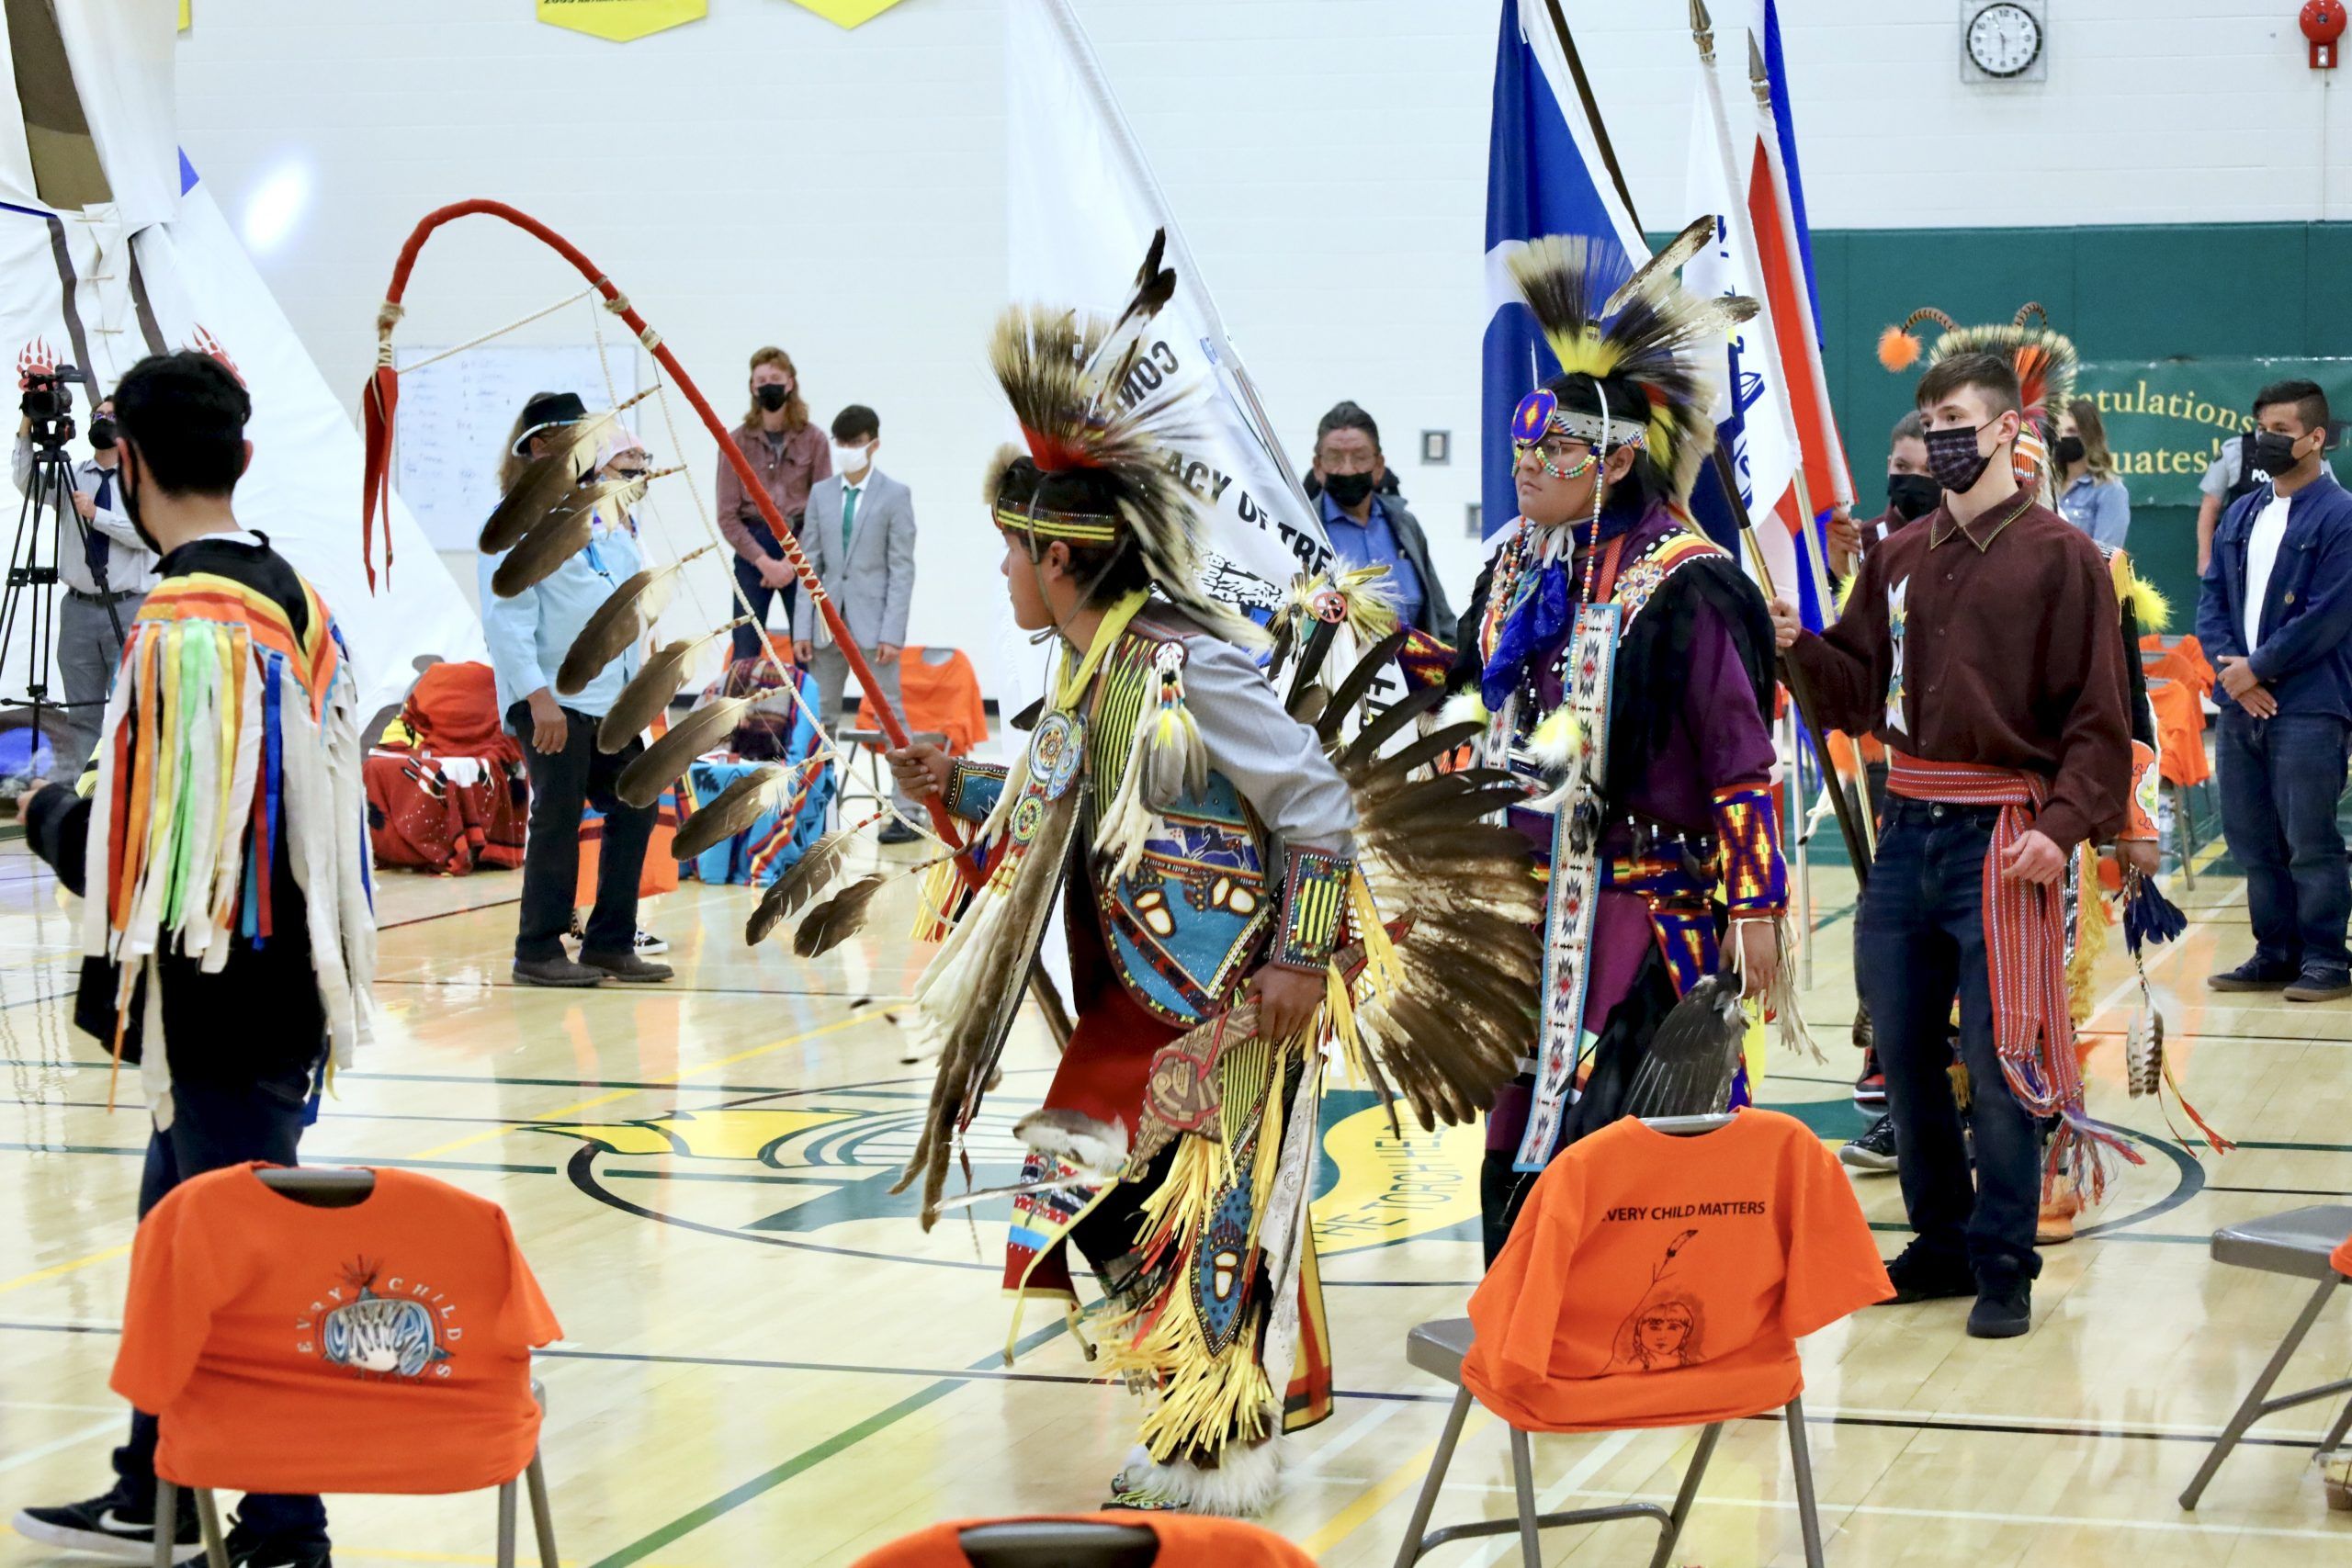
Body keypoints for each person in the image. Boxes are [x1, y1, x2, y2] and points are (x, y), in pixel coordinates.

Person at [882, 257, 1531, 1514]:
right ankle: (1194, 1414)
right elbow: (1047, 801)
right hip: (1136, 1000)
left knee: (1219, 1216)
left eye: (1012, 553)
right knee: (1096, 1212)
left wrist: (1299, 955)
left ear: (1061, 560)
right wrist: (949, 785)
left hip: (1231, 997)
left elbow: (1316, 804)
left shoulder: (1184, 665)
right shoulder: (1085, 671)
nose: (1005, 573)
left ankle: (1220, 1447)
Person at [10, 351, 374, 1568]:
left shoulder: (185, 619)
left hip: (219, 1001)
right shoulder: (299, 598)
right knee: (175, 1240)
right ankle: (149, 1483)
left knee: (235, 1262)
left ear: (128, 462)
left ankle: (283, 1526)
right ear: (245, 458)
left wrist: (55, 814)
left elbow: (140, 849)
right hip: (280, 992)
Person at [1447, 228, 1794, 1264]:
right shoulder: (1515, 564)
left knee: (1628, 1108)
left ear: (1612, 460)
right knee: (1520, 1108)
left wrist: (1759, 903)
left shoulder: (1681, 581)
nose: (1525, 470)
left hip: (1646, 905)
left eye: (1548, 454)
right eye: (1519, 452)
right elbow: (1474, 686)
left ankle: (1656, 1311)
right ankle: (1525, 1298)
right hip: (1530, 901)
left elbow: (1740, 751)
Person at [1774, 349, 2132, 1340]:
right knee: (1900, 1047)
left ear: (2010, 432)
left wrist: (2062, 832)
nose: (1939, 439)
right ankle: (1938, 1240)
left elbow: (2099, 721)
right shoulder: (1896, 556)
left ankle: (2003, 1260)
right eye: (1928, 420)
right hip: (1905, 834)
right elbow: (1851, 690)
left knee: (1999, 1050)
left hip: (2004, 836)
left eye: (1959, 422)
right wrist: (1796, 646)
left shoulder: (2061, 558)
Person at [481, 393, 673, 988]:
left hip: (605, 701)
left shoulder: (602, 514)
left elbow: (620, 600)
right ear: (539, 445)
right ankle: (536, 949)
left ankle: (609, 943)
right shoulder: (518, 521)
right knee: (558, 817)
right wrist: (539, 697)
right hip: (549, 700)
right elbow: (506, 618)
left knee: (636, 802)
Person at [2198, 378, 2352, 1003]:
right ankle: (2275, 951)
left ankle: (2326, 958)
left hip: (2312, 704)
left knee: (2309, 838)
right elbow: (2212, 599)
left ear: (2316, 438)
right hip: (2242, 702)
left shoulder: (2341, 515)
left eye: (2282, 431)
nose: (2267, 441)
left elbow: (2328, 615)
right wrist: (2230, 671)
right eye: (2262, 428)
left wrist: (2256, 668)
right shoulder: (2241, 512)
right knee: (2250, 837)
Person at [12, 391, 159, 783]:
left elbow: (151, 535)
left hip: (128, 607)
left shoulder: (143, 480)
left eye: (111, 415)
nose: (102, 420)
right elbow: (28, 483)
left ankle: (132, 793)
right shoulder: (72, 474)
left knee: (135, 708)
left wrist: (98, 515)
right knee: (82, 713)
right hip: (78, 609)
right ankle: (81, 798)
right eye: (97, 414)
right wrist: (27, 425)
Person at [792, 403, 920, 843]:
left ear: (874, 444)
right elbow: (809, 562)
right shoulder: (821, 494)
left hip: (874, 627)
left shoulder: (894, 495)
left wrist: (892, 632)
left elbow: (902, 568)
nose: (847, 450)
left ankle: (906, 811)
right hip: (827, 626)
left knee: (891, 720)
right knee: (820, 718)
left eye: (855, 443)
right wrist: (802, 628)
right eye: (841, 443)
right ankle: (813, 813)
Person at [716, 346, 830, 661]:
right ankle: (742, 711)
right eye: (761, 379)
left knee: (807, 650)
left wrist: (792, 564)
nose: (769, 385)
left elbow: (823, 512)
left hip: (801, 546)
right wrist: (764, 562)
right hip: (753, 549)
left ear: (790, 383)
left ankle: (805, 712)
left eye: (775, 378)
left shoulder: (815, 440)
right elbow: (727, 516)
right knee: (745, 650)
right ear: (753, 387)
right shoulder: (734, 443)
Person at [1308, 401, 1453, 638]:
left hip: (1413, 672)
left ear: (1378, 466)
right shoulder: (1303, 530)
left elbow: (1440, 617)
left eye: (1360, 457)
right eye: (1335, 457)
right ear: (1318, 467)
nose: (1347, 470)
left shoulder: (1405, 526)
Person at [1826, 411, 1939, 578]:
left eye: (1929, 469)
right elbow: (1833, 602)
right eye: (1902, 466)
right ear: (1889, 466)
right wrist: (1840, 574)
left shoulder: (1962, 544)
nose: (1915, 478)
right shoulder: (1858, 545)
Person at [2054, 398, 2131, 548]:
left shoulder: (2110, 490)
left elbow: (2106, 556)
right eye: (2058, 431)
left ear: (2089, 436)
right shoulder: (2047, 486)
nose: (2063, 438)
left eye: (2071, 431)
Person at [2198, 423, 2265, 577]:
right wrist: (2205, 559)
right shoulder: (2236, 450)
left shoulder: (2304, 452)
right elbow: (2210, 506)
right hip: (2237, 555)